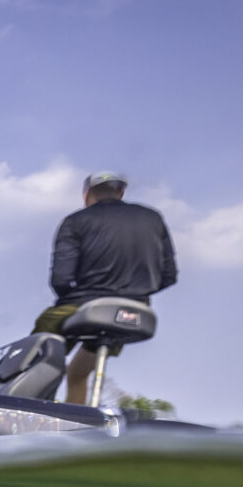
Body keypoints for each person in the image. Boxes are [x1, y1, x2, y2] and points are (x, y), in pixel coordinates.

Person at [33, 171, 178, 404]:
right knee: (77, 374)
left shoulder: (75, 221)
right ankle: (76, 429)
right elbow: (169, 275)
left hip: (84, 304)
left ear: (86, 194)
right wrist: (135, 293)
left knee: (38, 351)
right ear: (121, 193)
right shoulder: (153, 218)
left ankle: (30, 405)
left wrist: (79, 298)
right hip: (134, 311)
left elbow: (60, 279)